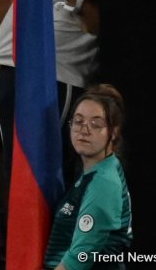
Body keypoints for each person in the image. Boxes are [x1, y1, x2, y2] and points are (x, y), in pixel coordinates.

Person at [43, 85, 133, 264]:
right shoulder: (94, 171)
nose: (84, 130)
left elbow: (79, 259)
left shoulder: (103, 183)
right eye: (78, 121)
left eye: (96, 124)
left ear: (114, 132)